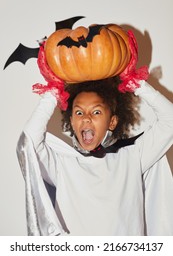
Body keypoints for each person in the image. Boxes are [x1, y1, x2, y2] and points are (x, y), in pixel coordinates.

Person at [17, 75, 173, 236]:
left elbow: (170, 121)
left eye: (96, 111)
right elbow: (28, 143)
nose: (86, 118)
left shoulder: (133, 156)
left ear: (112, 122)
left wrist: (137, 83)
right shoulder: (61, 164)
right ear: (71, 121)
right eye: (79, 112)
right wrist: (52, 95)